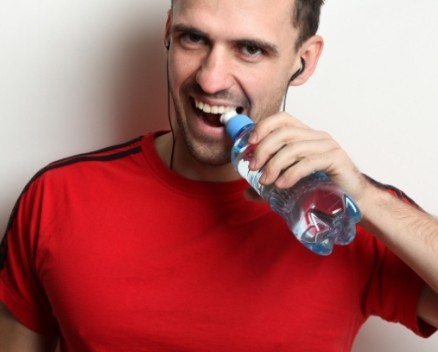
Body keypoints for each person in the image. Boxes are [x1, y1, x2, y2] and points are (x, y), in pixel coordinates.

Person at [1, 0, 437, 350]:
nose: (210, 80)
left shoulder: (347, 212)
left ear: (302, 61)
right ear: (168, 32)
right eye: (193, 38)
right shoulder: (57, 197)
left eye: (250, 49)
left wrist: (368, 197)